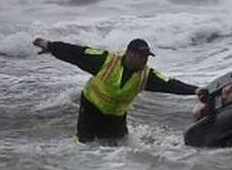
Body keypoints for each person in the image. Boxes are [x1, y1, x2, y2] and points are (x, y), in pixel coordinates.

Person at [33, 37, 200, 143]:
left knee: (118, 147)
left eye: (147, 57)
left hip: (116, 116)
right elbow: (78, 53)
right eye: (141, 56)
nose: (144, 60)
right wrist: (51, 46)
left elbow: (170, 84)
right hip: (91, 108)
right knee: (85, 145)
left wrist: (196, 90)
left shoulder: (146, 75)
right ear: (130, 54)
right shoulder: (106, 61)